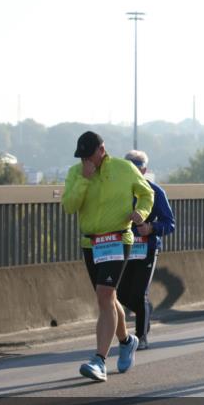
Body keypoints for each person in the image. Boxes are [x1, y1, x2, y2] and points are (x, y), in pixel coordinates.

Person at [62, 131, 154, 382]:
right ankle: (126, 340)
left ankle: (99, 360)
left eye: (89, 156)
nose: (86, 161)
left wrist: (141, 212)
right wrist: (83, 180)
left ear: (101, 150)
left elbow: (147, 193)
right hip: (91, 243)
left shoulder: (124, 169)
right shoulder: (76, 173)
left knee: (105, 294)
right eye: (81, 157)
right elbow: (69, 206)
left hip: (117, 239)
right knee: (107, 299)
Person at [116, 150, 176, 351]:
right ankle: (145, 311)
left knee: (140, 293)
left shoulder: (155, 192)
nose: (133, 171)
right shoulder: (116, 192)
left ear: (145, 170)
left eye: (137, 167)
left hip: (146, 249)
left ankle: (141, 337)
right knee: (122, 295)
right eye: (129, 167)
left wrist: (152, 228)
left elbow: (170, 224)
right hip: (122, 248)